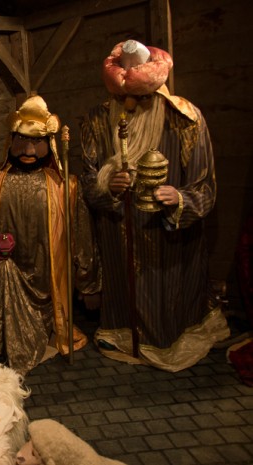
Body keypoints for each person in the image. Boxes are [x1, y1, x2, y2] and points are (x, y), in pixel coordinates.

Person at [80, 39, 229, 371]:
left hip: (167, 240)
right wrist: (107, 185)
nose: (130, 105)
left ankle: (165, 339)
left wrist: (180, 198)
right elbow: (87, 181)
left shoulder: (184, 119)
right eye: (122, 98)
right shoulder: (97, 119)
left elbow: (205, 185)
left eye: (139, 98)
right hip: (117, 232)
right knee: (124, 290)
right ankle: (122, 333)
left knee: (165, 295)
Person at [0, 94, 101, 376]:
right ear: (11, 140)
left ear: (49, 144)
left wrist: (88, 283)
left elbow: (82, 238)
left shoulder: (66, 187)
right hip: (5, 271)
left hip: (48, 280)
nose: (28, 149)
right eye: (22, 140)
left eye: (37, 141)